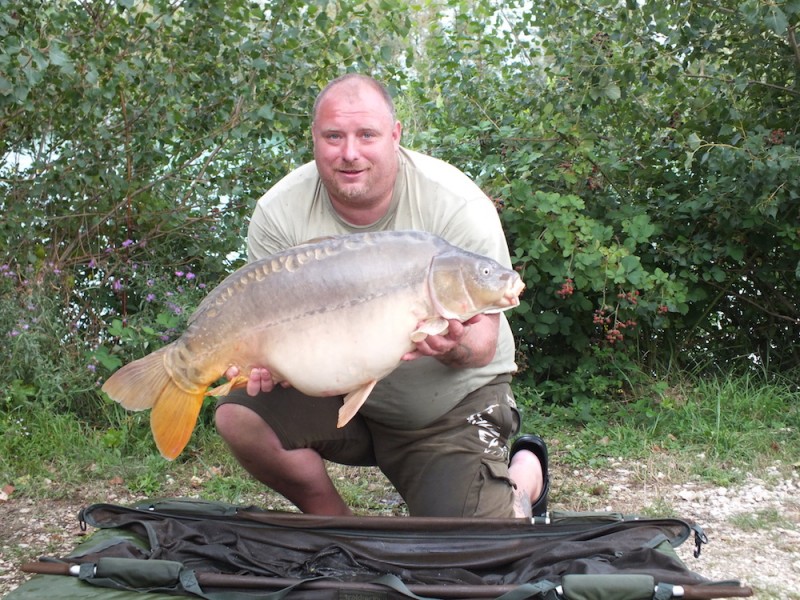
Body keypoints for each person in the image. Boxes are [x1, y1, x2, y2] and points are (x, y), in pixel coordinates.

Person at [215, 73, 549, 519]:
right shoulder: (280, 214)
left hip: (443, 410)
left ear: (395, 136)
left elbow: (483, 346)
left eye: (366, 134)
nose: (349, 153)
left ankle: (527, 470)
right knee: (240, 414)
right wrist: (262, 362)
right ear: (314, 138)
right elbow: (267, 327)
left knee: (474, 549)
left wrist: (453, 345)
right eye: (334, 136)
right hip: (334, 396)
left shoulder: (455, 205)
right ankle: (337, 525)